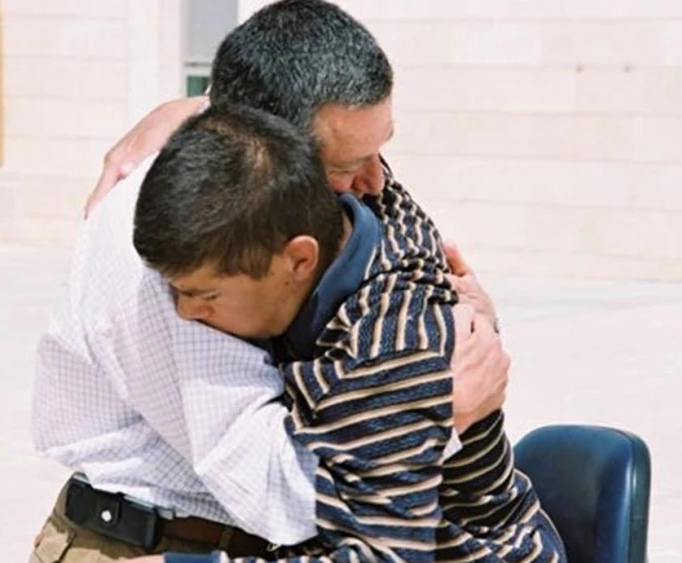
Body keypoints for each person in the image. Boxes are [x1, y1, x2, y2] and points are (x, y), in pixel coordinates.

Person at [30, 1, 519, 561]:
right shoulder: (199, 244)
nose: (377, 180)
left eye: (380, 149)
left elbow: (427, 305)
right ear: (273, 150)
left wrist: (461, 331)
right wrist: (430, 410)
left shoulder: (322, 196)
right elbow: (272, 488)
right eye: (346, 164)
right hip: (149, 544)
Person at [125, 103, 564, 563]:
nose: (185, 312)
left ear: (299, 260)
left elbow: (384, 556)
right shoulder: (356, 215)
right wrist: (172, 114)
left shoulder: (384, 351)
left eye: (206, 294)